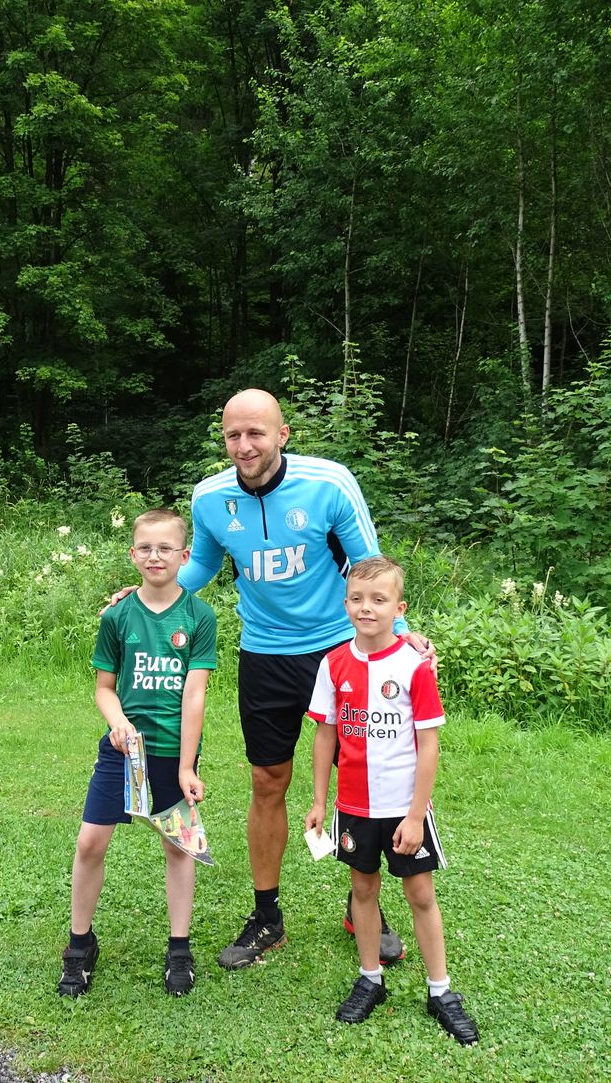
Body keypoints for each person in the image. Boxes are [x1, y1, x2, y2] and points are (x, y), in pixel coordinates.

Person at [177, 389, 428, 970]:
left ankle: (364, 906)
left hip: (338, 652)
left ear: (282, 435)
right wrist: (150, 594)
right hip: (264, 655)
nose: (244, 446)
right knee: (268, 780)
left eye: (256, 433)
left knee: (360, 781)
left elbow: (370, 566)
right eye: (233, 435)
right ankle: (267, 916)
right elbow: (203, 566)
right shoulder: (210, 497)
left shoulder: (329, 484)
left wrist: (402, 633)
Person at [304, 556, 478, 1044]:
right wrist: (319, 801)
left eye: (379, 600)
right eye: (357, 599)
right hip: (354, 807)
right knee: (363, 890)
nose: (366, 608)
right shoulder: (333, 664)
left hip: (403, 809)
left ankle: (440, 991)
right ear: (345, 604)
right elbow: (324, 735)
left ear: (398, 608)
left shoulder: (413, 666)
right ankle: (370, 979)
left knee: (420, 894)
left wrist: (417, 815)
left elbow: (429, 745)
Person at [59, 508, 218, 998]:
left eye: (165, 548)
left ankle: (179, 949)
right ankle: (80, 946)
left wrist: (187, 766)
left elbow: (194, 694)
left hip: (173, 754)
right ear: (132, 554)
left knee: (178, 846)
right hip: (122, 752)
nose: (155, 556)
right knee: (90, 843)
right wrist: (119, 724)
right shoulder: (118, 615)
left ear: (184, 556)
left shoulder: (199, 617)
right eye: (145, 548)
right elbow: (104, 688)